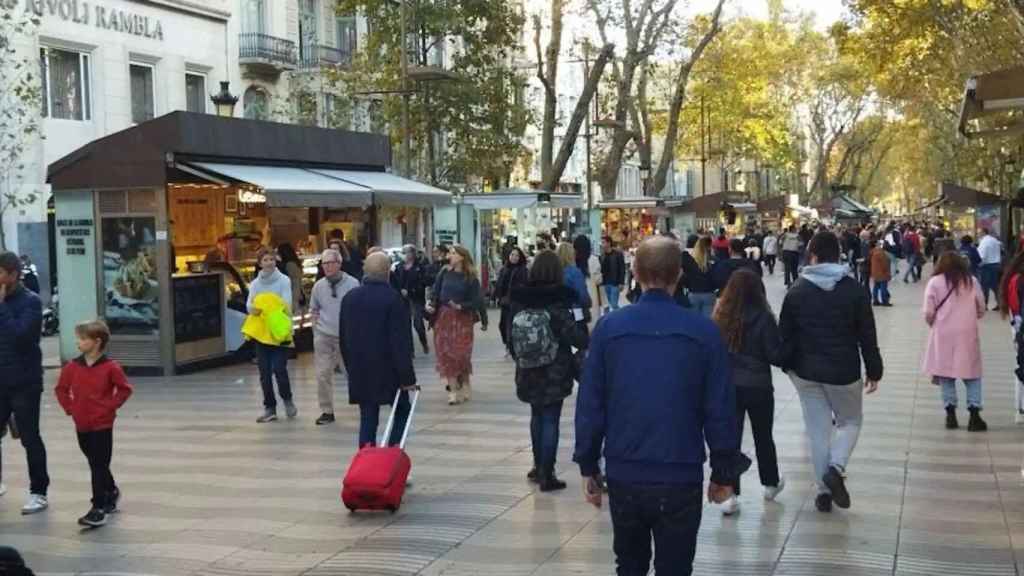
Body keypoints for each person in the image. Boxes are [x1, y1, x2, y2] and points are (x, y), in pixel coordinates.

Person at [574, 237, 744, 576]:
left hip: (626, 470)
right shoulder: (704, 332)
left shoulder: (610, 329)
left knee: (630, 564)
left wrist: (588, 463)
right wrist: (724, 471)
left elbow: (591, 402)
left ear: (634, 273)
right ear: (678, 275)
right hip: (680, 471)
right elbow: (720, 407)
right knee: (676, 566)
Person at [779, 232, 882, 513]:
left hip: (805, 373)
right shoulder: (854, 290)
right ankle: (835, 469)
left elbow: (784, 335)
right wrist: (874, 368)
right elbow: (866, 334)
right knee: (850, 421)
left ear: (811, 255)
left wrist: (787, 366)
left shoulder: (797, 290)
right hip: (843, 371)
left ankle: (824, 492)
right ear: (839, 255)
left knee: (818, 431)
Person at [511, 251, 588, 492]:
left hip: (527, 367)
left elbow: (510, 332)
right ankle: (548, 473)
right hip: (556, 368)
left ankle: (536, 466)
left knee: (536, 415)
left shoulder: (521, 296)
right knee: (551, 417)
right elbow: (577, 336)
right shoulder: (562, 299)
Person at [712, 269, 785, 515]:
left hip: (729, 386)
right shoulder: (764, 318)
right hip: (759, 386)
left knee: (730, 438)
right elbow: (776, 355)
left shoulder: (721, 315)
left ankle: (729, 493)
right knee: (763, 435)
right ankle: (770, 483)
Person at [54, 320, 133, 527]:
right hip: (81, 424)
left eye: (82, 339)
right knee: (95, 461)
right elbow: (61, 389)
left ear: (97, 342)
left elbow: (124, 389)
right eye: (78, 338)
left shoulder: (111, 367)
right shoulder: (72, 367)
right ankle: (111, 491)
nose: (78, 342)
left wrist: (110, 407)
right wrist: (70, 408)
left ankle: (98, 507)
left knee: (98, 463)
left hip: (103, 424)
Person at [341, 252, 417, 447]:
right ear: (388, 272)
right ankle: (391, 457)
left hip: (360, 369)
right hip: (388, 371)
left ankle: (366, 465)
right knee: (401, 411)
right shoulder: (393, 299)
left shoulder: (349, 298)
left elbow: (343, 338)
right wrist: (407, 378)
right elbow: (400, 342)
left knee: (368, 417)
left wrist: (350, 368)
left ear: (365, 270)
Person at [0, 251, 48, 515]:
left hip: (24, 382)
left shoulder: (30, 302)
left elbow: (22, 338)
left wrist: (2, 307)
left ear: (13, 275)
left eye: (0, 273)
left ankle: (38, 492)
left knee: (29, 437)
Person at [923, 251, 987, 432]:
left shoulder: (934, 282)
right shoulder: (971, 281)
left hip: (943, 332)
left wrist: (933, 323)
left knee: (945, 374)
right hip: (967, 333)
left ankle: (950, 413)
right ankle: (974, 414)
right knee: (972, 374)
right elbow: (981, 307)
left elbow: (928, 312)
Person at [427, 245, 488, 405]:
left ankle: (465, 383)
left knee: (461, 355)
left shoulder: (471, 278)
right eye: (450, 253)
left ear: (462, 257)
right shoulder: (444, 273)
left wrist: (462, 306)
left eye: (453, 253)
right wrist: (432, 304)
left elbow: (477, 300)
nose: (449, 256)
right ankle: (453, 391)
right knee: (447, 354)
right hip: (444, 318)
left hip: (462, 320)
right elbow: (436, 292)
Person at [309, 248, 360, 426]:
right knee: (322, 374)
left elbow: (359, 310)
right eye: (324, 264)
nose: (327, 267)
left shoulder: (352, 284)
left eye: (331, 263)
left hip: (346, 336)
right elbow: (313, 308)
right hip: (324, 335)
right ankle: (326, 410)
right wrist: (316, 327)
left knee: (351, 372)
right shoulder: (318, 286)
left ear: (339, 264)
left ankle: (362, 402)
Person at [247, 247, 296, 423]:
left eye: (272, 260)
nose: (269, 263)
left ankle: (287, 399)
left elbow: (285, 304)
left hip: (279, 332)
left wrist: (264, 307)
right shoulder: (255, 284)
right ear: (259, 263)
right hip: (261, 334)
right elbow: (250, 305)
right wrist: (256, 308)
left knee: (279, 369)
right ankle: (270, 407)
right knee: (264, 372)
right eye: (266, 260)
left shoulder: (284, 280)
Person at [391, 245, 431, 356]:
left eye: (407, 252)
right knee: (405, 324)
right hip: (402, 299)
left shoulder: (420, 267)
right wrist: (400, 291)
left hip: (416, 298)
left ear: (413, 254)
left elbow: (424, 282)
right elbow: (395, 282)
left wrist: (411, 291)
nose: (405, 255)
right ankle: (410, 350)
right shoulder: (399, 267)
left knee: (418, 324)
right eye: (404, 252)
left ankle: (424, 342)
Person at [495, 247, 529, 358]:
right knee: (503, 325)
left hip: (517, 303)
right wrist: (497, 296)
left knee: (512, 326)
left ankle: (512, 347)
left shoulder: (523, 270)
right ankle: (508, 345)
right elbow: (500, 284)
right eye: (512, 255)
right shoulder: (504, 269)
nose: (514, 257)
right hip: (505, 303)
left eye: (516, 255)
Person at [556, 242, 592, 329]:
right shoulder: (575, 272)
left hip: (559, 313)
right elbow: (582, 296)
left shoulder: (555, 272)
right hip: (576, 312)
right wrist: (589, 303)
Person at [682, 235, 716, 317]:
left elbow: (683, 275)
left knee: (693, 322)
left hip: (693, 292)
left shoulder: (688, 260)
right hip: (709, 293)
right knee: (707, 322)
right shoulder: (714, 260)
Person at [574, 235, 603, 323]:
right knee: (593, 320)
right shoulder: (594, 259)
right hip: (592, 294)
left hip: (577, 296)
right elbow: (599, 280)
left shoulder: (573, 260)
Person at [276, 243, 306, 318]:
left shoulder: (290, 265)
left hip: (295, 299)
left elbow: (296, 284)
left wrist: (294, 302)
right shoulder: (294, 263)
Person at [599, 237, 626, 313]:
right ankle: (607, 321)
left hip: (615, 283)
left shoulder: (618, 254)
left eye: (603, 242)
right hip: (604, 283)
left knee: (614, 304)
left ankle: (621, 316)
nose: (602, 244)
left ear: (609, 243)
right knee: (606, 305)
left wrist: (621, 282)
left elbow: (622, 268)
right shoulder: (602, 255)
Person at [978, 228, 1002, 310]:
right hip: (996, 264)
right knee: (996, 286)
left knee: (985, 286)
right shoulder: (994, 240)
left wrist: (979, 264)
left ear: (983, 232)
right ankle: (1000, 303)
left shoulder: (984, 241)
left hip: (987, 266)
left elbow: (982, 256)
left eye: (979, 232)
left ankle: (984, 304)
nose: (978, 234)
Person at [869, 240, 892, 307]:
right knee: (883, 287)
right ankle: (884, 301)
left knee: (875, 287)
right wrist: (887, 272)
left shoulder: (872, 252)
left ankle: (875, 300)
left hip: (875, 272)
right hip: (882, 273)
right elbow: (884, 264)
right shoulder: (881, 253)